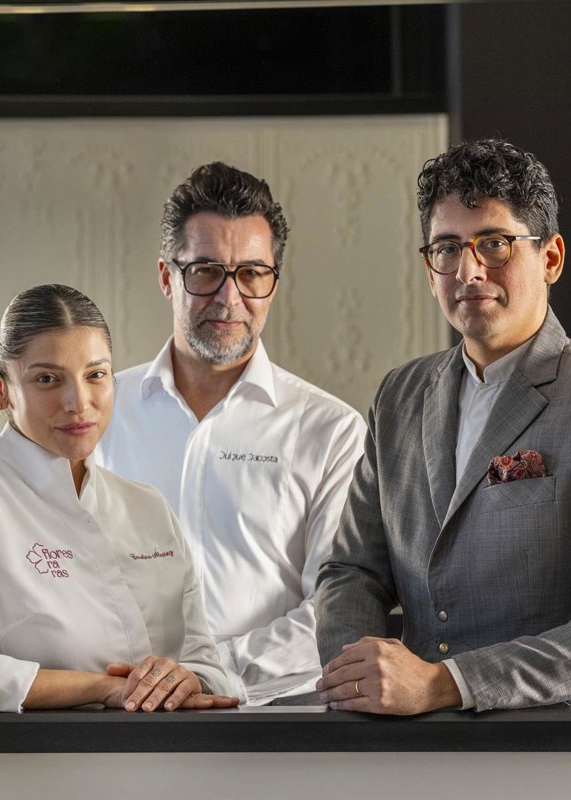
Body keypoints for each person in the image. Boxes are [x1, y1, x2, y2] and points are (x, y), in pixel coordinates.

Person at [315, 139, 571, 714]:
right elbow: (351, 570)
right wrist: (357, 676)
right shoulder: (399, 397)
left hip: (569, 744)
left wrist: (445, 683)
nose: (469, 270)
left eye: (494, 244)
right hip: (423, 743)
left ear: (551, 258)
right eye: (447, 248)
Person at [0, 284, 240, 714]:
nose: (78, 403)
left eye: (96, 375)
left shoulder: (149, 508)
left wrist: (187, 678)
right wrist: (100, 688)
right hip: (42, 758)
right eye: (47, 379)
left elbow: (207, 665)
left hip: (176, 755)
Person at [95, 162, 366, 705]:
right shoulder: (99, 412)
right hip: (116, 714)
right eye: (205, 272)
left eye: (252, 273)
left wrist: (209, 671)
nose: (229, 297)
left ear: (272, 282)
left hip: (272, 723)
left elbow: (336, 608)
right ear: (167, 277)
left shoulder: (331, 431)